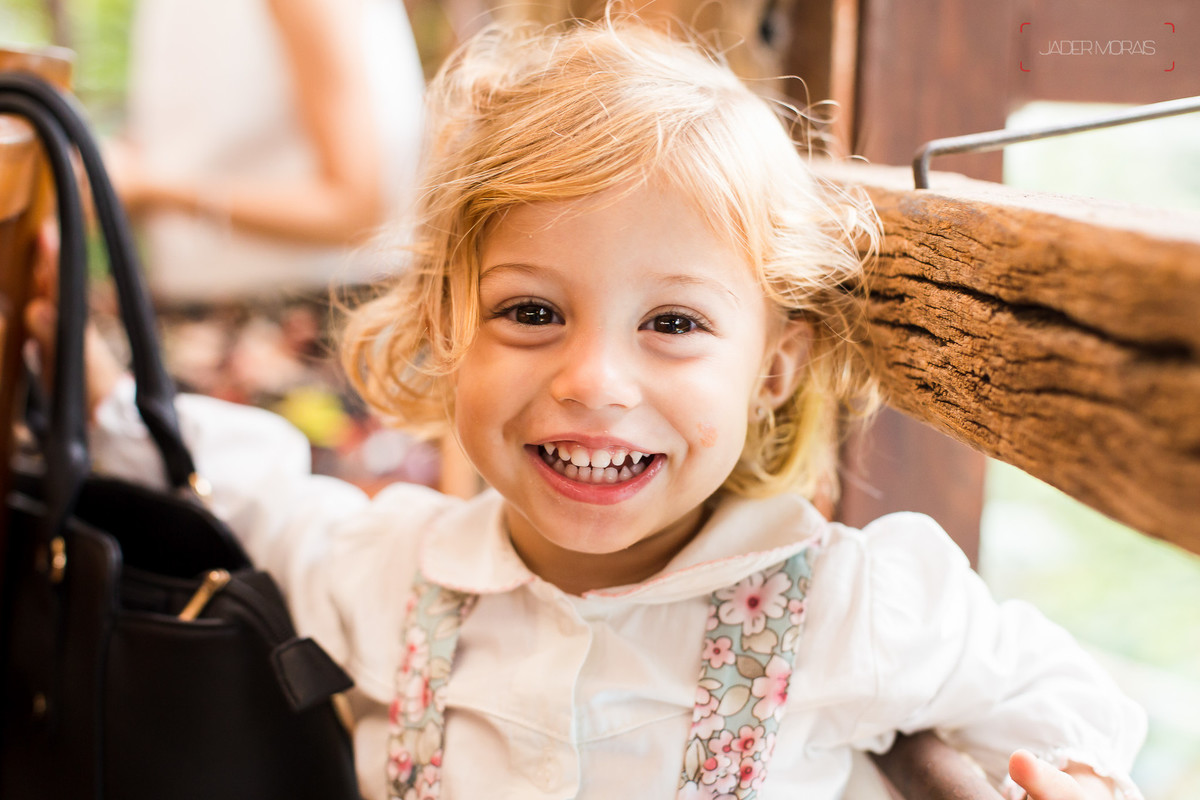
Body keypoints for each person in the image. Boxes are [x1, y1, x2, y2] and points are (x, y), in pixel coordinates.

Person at [38, 16, 1145, 800]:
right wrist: (102, 391)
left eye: (672, 325)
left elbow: (1052, 690)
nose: (593, 380)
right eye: (531, 311)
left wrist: (1075, 772)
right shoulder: (395, 573)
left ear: (773, 366)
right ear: (446, 324)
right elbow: (260, 499)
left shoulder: (853, 603)